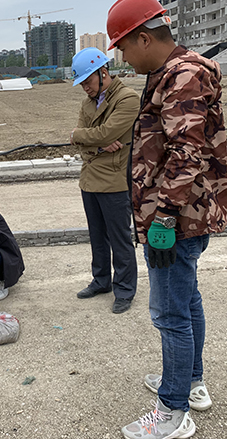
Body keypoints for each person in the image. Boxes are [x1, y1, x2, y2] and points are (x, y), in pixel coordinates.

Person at [106, 0, 227, 438]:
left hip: (174, 221)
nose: (120, 56)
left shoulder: (183, 76)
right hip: (179, 217)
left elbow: (186, 152)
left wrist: (163, 219)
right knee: (186, 300)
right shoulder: (170, 73)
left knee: (169, 313)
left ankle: (173, 410)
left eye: (121, 46)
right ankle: (190, 382)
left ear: (143, 38)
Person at [69, 47, 139, 314]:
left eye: (88, 81)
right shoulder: (88, 103)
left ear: (104, 73)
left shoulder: (127, 99)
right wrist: (95, 143)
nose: (85, 88)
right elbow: (80, 139)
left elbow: (107, 131)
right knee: (97, 237)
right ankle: (101, 280)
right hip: (89, 180)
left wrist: (86, 137)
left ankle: (124, 289)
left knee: (119, 238)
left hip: (114, 181)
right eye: (82, 83)